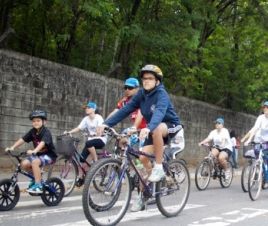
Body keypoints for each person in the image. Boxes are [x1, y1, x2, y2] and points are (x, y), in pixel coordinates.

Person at [97, 64, 183, 212]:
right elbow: (125, 110)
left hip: (170, 125)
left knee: (156, 129)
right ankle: (146, 194)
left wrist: (148, 127)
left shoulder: (161, 93)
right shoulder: (141, 94)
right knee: (142, 161)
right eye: (144, 78)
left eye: (150, 78)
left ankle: (158, 167)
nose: (146, 81)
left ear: (157, 81)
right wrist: (106, 124)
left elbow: (160, 112)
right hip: (154, 127)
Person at [5, 110, 57, 194]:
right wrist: (12, 148)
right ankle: (36, 178)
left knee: (34, 162)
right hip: (38, 155)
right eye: (34, 121)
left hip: (49, 155)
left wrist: (34, 151)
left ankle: (38, 185)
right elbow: (22, 139)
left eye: (38, 121)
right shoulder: (33, 131)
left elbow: (43, 143)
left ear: (44, 122)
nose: (35, 123)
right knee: (24, 164)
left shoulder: (46, 132)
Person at [63, 102, 107, 187]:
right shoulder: (86, 119)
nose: (86, 109)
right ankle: (80, 178)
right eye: (86, 108)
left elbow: (101, 129)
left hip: (101, 139)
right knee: (81, 159)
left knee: (88, 143)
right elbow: (78, 128)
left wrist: (95, 134)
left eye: (89, 107)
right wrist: (69, 132)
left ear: (94, 109)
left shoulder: (98, 117)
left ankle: (96, 160)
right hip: (90, 142)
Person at [244, 101, 268, 194]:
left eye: (267, 107)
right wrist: (249, 139)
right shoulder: (260, 118)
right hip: (264, 142)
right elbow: (255, 128)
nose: (265, 108)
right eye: (264, 107)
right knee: (258, 154)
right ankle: (263, 175)